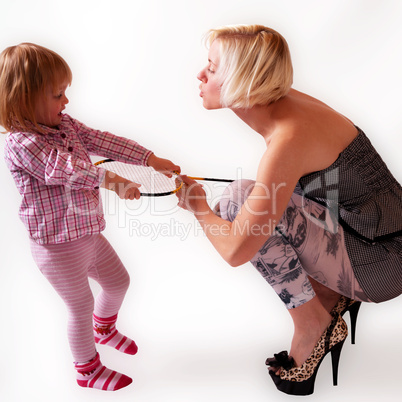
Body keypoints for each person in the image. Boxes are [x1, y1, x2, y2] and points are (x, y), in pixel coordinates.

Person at [176, 24, 402, 395]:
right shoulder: (291, 103)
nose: (200, 74)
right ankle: (328, 296)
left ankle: (313, 324)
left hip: (382, 263)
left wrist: (199, 208)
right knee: (247, 197)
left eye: (212, 68)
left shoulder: (288, 139)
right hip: (379, 240)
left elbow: (236, 250)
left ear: (245, 81)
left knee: (235, 204)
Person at [0, 42, 180, 391]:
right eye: (57, 94)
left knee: (118, 282)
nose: (65, 101)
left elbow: (101, 140)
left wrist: (148, 158)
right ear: (24, 100)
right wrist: (110, 179)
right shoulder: (21, 143)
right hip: (57, 247)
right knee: (80, 306)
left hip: (89, 233)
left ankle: (105, 329)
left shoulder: (65, 124)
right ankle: (87, 369)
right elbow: (61, 169)